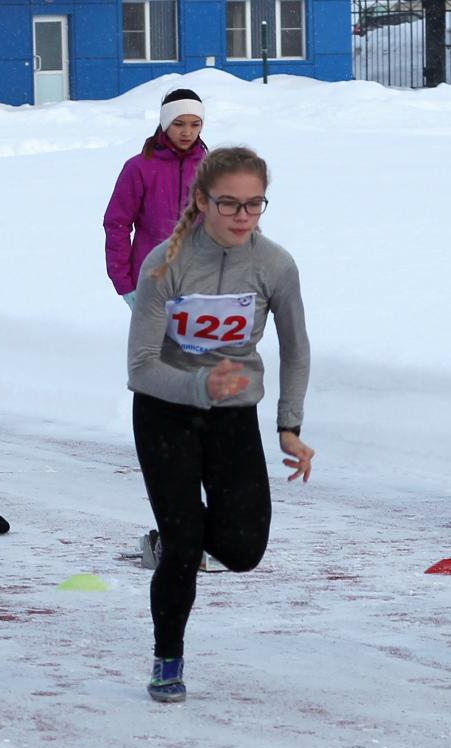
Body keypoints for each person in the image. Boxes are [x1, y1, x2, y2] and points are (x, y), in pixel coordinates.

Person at [127, 147, 313, 702]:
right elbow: (140, 368)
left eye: (254, 205)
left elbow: (296, 348)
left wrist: (288, 425)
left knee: (244, 549)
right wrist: (198, 386)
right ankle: (167, 659)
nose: (242, 216)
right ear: (202, 201)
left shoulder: (275, 264)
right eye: (229, 203)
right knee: (185, 544)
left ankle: (176, 531)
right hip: (166, 411)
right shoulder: (165, 262)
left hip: (233, 416)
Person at [105, 89, 207, 308]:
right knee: (156, 343)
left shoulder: (211, 168)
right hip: (152, 279)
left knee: (198, 343)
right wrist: (124, 283)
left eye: (195, 124)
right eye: (179, 123)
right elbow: (117, 224)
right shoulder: (139, 167)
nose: (187, 132)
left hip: (201, 281)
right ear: (165, 122)